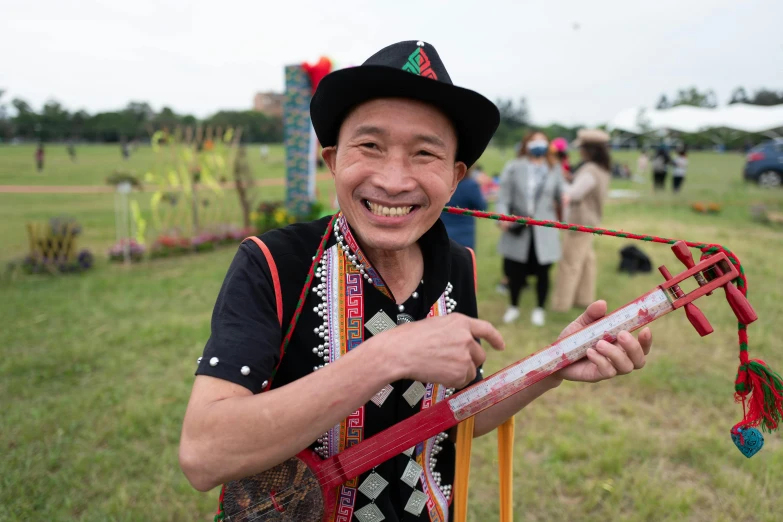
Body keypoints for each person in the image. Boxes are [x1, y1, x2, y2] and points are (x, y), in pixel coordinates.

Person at [179, 41, 653, 522]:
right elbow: (204, 453)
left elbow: (453, 416)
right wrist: (388, 355)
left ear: (454, 177)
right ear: (332, 161)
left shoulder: (457, 265)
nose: (393, 179)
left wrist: (552, 365)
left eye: (426, 153)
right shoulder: (272, 263)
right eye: (370, 146)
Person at [496, 131, 566, 326]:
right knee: (514, 271)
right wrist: (502, 217)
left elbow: (563, 193)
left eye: (542, 141)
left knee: (543, 272)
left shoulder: (554, 168)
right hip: (519, 227)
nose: (538, 145)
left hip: (544, 230)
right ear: (526, 145)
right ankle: (513, 306)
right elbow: (503, 198)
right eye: (534, 141)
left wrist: (566, 199)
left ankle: (539, 308)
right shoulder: (514, 167)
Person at [551, 129, 612, 312]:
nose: (580, 152)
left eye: (582, 148)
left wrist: (562, 183)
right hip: (590, 221)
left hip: (579, 223)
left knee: (569, 264)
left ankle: (561, 304)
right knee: (586, 261)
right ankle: (584, 298)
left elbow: (575, 194)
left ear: (590, 150)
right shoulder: (601, 169)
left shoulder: (590, 169)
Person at [441, 164, 487, 250]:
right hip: (464, 236)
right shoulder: (471, 185)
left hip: (442, 232)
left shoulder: (442, 184)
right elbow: (482, 207)